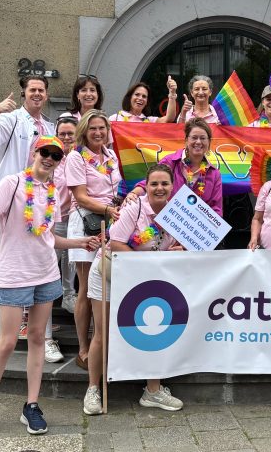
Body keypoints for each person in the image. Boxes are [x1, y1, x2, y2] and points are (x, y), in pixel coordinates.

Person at [0, 136, 98, 440]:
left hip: (46, 273)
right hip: (14, 274)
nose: (49, 158)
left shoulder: (53, 192)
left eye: (56, 155)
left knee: (38, 337)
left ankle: (32, 404)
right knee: (8, 342)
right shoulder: (11, 182)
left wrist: (80, 242)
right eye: (45, 152)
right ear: (33, 153)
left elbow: (49, 238)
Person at [84, 164, 185, 415]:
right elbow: (116, 242)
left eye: (164, 184)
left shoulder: (179, 213)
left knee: (155, 331)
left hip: (144, 279)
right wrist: (143, 266)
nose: (159, 188)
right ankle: (93, 390)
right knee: (102, 333)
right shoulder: (135, 208)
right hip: (109, 273)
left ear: (172, 187)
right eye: (154, 184)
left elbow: (183, 246)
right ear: (146, 187)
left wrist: (181, 249)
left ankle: (152, 391)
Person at [63, 110, 122, 372]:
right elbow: (81, 196)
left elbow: (115, 190)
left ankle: (102, 343)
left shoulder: (110, 156)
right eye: (93, 129)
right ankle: (84, 348)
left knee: (104, 285)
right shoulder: (76, 157)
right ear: (84, 132)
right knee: (86, 287)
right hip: (87, 223)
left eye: (102, 128)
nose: (98, 133)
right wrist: (108, 210)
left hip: (109, 223)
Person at [0, 75, 56, 255]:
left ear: (47, 95)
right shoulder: (10, 119)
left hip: (39, 194)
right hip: (14, 193)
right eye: (32, 90)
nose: (37, 94)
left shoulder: (49, 127)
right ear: (24, 93)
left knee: (35, 244)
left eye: (41, 90)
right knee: (7, 247)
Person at [123, 117, 223, 216]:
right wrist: (134, 193)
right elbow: (150, 183)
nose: (198, 142)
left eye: (202, 138)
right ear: (186, 140)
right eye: (194, 137)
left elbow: (216, 210)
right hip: (166, 222)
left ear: (209, 141)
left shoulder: (214, 174)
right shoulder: (171, 161)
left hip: (196, 228)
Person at [45, 114, 79, 364]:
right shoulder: (49, 158)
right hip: (51, 221)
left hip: (74, 219)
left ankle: (69, 296)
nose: (66, 138)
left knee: (71, 263)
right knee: (47, 273)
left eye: (71, 133)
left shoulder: (81, 159)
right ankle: (46, 339)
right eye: (63, 134)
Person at [109, 77, 179, 123]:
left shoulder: (149, 121)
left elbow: (169, 118)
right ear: (130, 97)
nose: (140, 98)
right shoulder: (115, 119)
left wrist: (172, 92)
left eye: (144, 96)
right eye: (137, 94)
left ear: (146, 102)